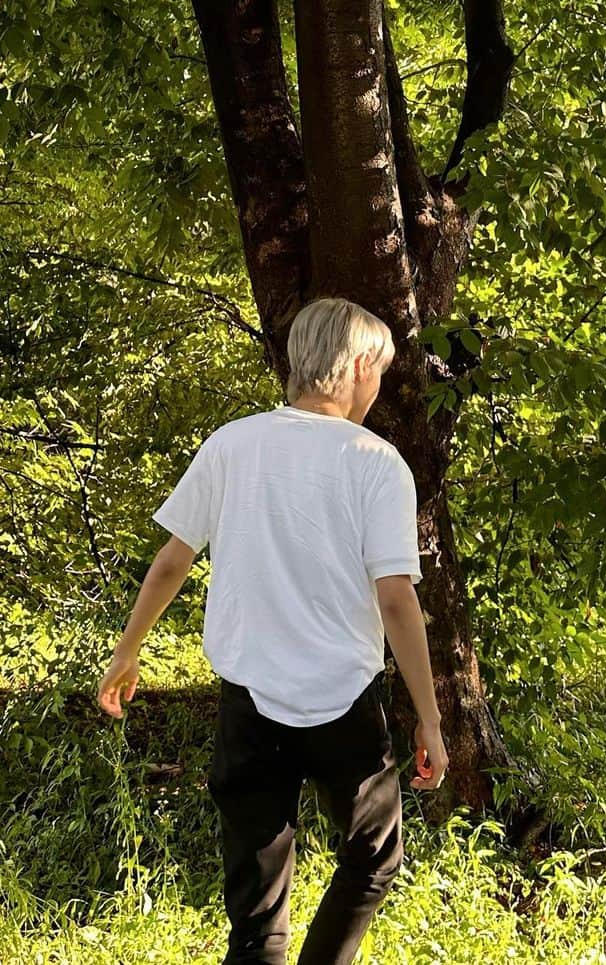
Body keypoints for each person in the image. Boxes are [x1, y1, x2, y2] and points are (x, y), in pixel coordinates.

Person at [96, 296, 449, 964]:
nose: (378, 386)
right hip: (344, 708)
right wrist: (428, 718)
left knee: (256, 918)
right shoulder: (376, 461)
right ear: (356, 366)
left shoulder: (233, 444)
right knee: (375, 853)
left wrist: (128, 649)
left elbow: (173, 559)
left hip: (248, 705)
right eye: (378, 370)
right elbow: (397, 598)